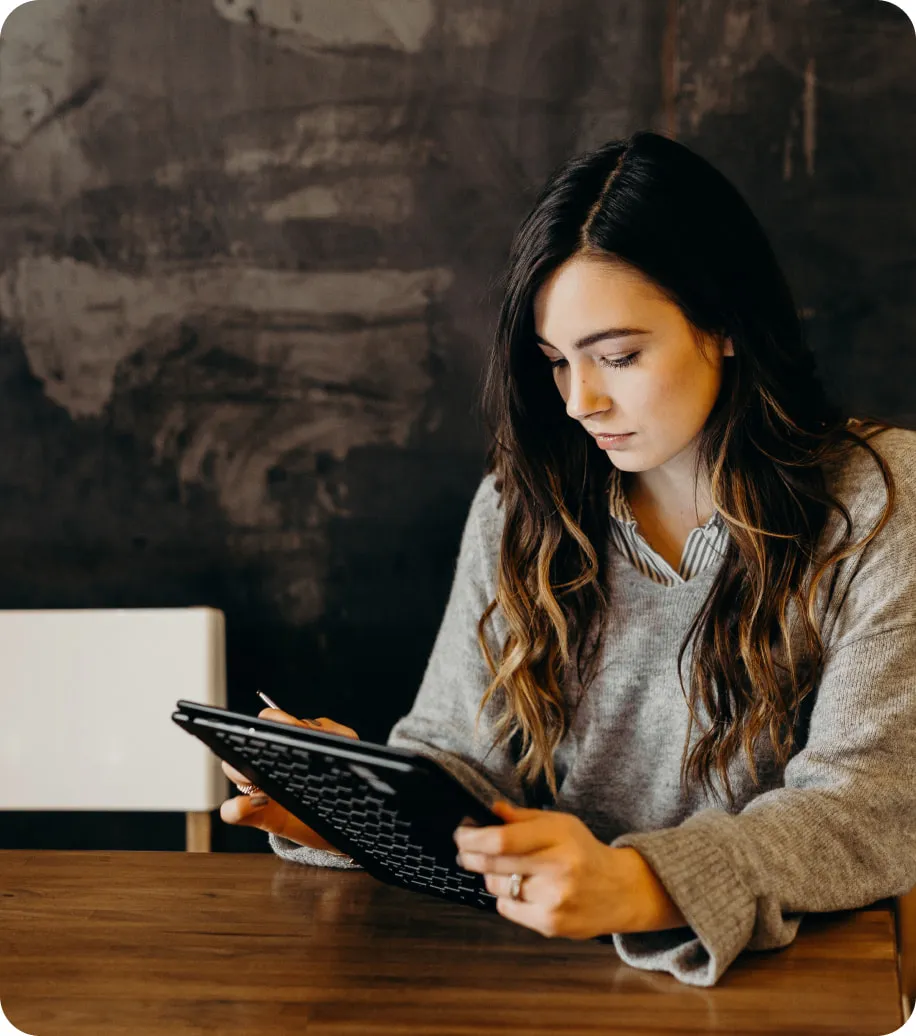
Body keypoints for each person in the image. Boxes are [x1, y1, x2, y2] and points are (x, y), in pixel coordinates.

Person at [219, 130, 916, 987]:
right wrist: (356, 809)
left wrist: (641, 883)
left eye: (619, 356)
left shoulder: (882, 501)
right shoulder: (522, 503)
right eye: (555, 363)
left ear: (728, 325)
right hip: (544, 978)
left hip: (800, 985)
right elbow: (465, 765)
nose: (582, 402)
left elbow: (872, 807)